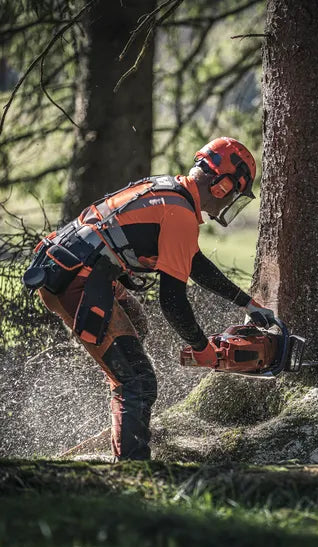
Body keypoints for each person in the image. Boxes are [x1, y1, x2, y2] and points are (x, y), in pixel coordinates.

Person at [22, 137, 274, 461]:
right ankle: (133, 471)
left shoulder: (171, 193)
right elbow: (173, 302)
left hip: (72, 268)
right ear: (222, 186)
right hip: (77, 281)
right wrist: (203, 350)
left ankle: (121, 412)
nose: (229, 204)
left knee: (137, 327)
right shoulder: (180, 215)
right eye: (233, 196)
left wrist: (247, 304)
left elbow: (195, 262)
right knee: (138, 380)